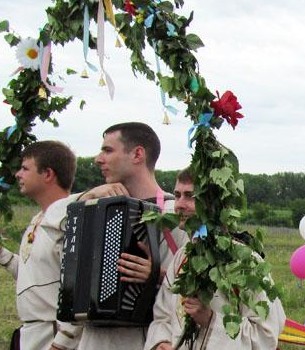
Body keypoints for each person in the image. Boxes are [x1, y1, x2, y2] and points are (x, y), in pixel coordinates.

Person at [76, 122, 190, 349]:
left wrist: (158, 274)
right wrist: (88, 195)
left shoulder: (173, 214)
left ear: (138, 154)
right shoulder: (95, 206)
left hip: (143, 338)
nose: (99, 159)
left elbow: (191, 286)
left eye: (108, 150)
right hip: (91, 339)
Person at [145, 168, 285, 349]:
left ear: (213, 205)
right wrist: (161, 342)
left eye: (190, 196)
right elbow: (163, 316)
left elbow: (266, 336)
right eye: (177, 195)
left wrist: (211, 320)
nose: (179, 204)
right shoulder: (182, 258)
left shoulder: (244, 263)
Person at [0, 141, 83, 350]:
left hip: (54, 334)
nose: (18, 174)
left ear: (48, 174)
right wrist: (3, 256)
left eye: (25, 168)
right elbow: (36, 275)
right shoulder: (38, 219)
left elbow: (79, 287)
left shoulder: (69, 221)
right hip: (32, 333)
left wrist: (62, 342)